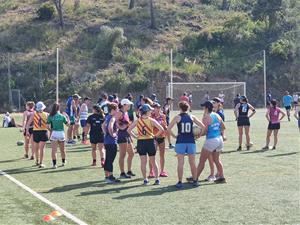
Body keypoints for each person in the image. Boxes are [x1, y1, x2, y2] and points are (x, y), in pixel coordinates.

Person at [168, 101, 205, 188]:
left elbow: (168, 128)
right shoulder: (192, 116)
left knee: (180, 163)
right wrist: (198, 136)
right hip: (191, 141)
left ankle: (180, 182)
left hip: (180, 141)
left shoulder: (177, 117)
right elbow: (203, 127)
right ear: (187, 108)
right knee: (192, 163)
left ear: (180, 108)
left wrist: (174, 136)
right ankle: (195, 181)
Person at [127, 104, 164, 185]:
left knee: (143, 162)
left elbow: (129, 130)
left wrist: (136, 137)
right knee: (153, 161)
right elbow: (161, 129)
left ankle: (145, 179)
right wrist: (155, 136)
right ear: (146, 111)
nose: (151, 111)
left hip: (141, 142)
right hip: (150, 141)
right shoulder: (151, 120)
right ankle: (157, 179)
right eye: (150, 110)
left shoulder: (137, 120)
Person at [196, 100, 226, 184]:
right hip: (219, 139)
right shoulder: (217, 115)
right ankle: (221, 177)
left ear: (206, 108)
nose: (203, 108)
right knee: (217, 160)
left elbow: (205, 131)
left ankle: (195, 178)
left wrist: (197, 135)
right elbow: (223, 127)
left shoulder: (206, 117)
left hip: (211, 140)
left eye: (203, 107)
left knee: (202, 160)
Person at [116, 99, 135, 179]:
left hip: (127, 135)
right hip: (122, 135)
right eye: (128, 104)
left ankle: (129, 171)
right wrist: (121, 127)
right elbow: (115, 121)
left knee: (132, 153)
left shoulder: (126, 112)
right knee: (122, 154)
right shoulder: (120, 112)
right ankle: (122, 173)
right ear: (124, 105)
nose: (129, 106)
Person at [102, 102, 121, 184]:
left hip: (106, 141)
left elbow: (102, 125)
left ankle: (107, 176)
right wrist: (112, 134)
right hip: (111, 142)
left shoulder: (107, 117)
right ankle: (110, 177)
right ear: (113, 110)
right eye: (116, 109)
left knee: (107, 159)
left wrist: (105, 133)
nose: (118, 110)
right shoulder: (112, 118)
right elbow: (110, 126)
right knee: (110, 160)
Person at [26, 101, 48, 168]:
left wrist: (27, 131)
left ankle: (37, 161)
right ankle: (41, 163)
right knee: (42, 148)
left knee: (36, 148)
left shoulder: (34, 114)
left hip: (36, 132)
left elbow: (28, 123)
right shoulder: (46, 114)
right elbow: (49, 125)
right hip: (43, 132)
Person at [47, 103, 69, 168]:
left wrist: (51, 130)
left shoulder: (50, 116)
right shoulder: (62, 116)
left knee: (54, 150)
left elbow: (47, 126)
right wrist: (67, 117)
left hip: (54, 133)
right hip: (61, 133)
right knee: (62, 149)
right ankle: (63, 162)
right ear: (59, 108)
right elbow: (68, 125)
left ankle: (54, 164)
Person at [150, 103, 168, 177]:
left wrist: (165, 125)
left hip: (162, 137)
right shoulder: (150, 116)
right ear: (153, 108)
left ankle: (162, 171)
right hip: (154, 137)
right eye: (156, 108)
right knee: (152, 155)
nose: (158, 109)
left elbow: (166, 127)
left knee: (162, 155)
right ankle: (151, 172)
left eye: (159, 107)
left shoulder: (163, 116)